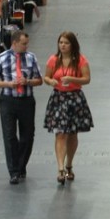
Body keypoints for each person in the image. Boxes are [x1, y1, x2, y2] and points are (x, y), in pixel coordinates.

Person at [0, 30, 43, 185]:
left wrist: (28, 81)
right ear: (14, 43)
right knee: (10, 135)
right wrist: (8, 84)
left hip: (26, 100)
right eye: (23, 44)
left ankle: (21, 164)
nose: (26, 46)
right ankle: (14, 170)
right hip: (8, 100)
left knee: (28, 135)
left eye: (27, 44)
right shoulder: (2, 58)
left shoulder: (31, 58)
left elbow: (39, 80)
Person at [43, 32, 94, 185]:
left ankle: (69, 164)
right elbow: (46, 77)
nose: (63, 45)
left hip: (74, 98)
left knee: (72, 133)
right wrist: (50, 81)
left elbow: (87, 79)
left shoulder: (80, 60)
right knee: (60, 133)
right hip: (58, 98)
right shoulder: (53, 59)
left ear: (72, 45)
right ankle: (60, 169)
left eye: (66, 43)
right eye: (60, 42)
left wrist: (72, 79)